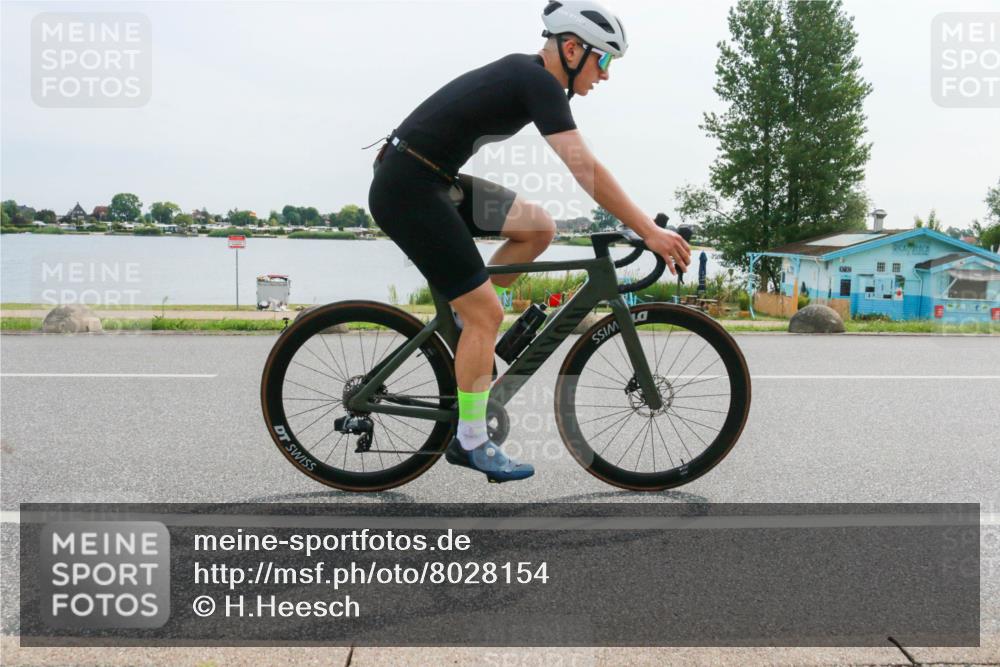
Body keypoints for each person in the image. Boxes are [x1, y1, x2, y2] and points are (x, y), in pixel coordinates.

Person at [368, 1, 691, 483]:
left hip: (432, 178)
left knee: (538, 227)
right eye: (604, 59)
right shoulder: (537, 80)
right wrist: (649, 230)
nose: (605, 74)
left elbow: (585, 170)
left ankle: (467, 319)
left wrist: (640, 225)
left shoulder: (532, 78)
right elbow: (585, 168)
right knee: (487, 313)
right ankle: (470, 440)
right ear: (572, 49)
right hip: (408, 187)